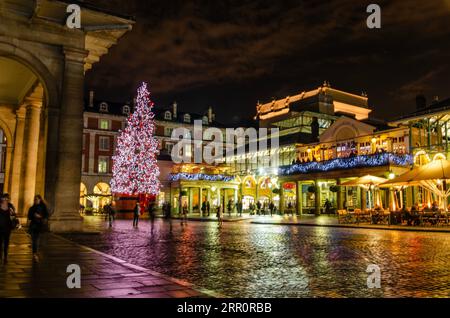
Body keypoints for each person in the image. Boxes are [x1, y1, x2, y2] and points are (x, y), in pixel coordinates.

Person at [27, 195, 49, 261]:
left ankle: (35, 253)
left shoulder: (43, 207)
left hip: (40, 226)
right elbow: (29, 217)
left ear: (40, 200)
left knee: (37, 240)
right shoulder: (32, 208)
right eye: (34, 199)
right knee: (35, 240)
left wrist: (40, 216)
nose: (35, 200)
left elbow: (47, 215)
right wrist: (33, 215)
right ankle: (35, 253)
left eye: (36, 199)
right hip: (33, 226)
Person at [0, 194, 15, 264]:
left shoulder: (10, 206)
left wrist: (12, 214)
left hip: (7, 228)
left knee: (6, 243)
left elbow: (14, 216)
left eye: (7, 199)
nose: (6, 200)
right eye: (4, 199)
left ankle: (5, 257)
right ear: (2, 199)